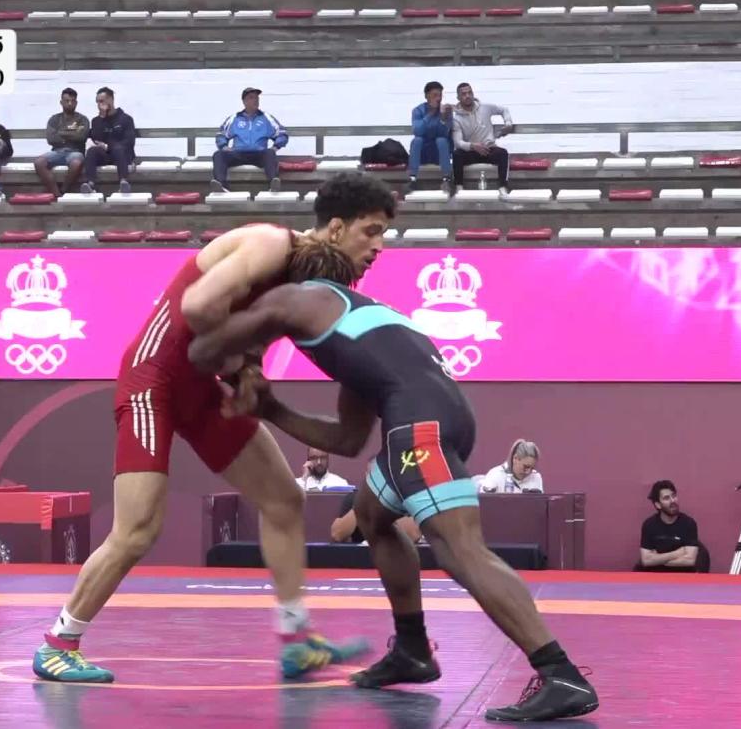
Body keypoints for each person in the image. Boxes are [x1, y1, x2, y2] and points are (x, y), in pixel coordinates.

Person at [185, 246, 599, 722]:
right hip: (433, 422)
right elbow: (346, 440)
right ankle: (412, 649)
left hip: (418, 430)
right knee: (371, 515)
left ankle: (560, 673)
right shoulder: (362, 328)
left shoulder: (302, 296)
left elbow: (202, 348)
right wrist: (271, 409)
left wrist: (243, 365)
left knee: (460, 549)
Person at [32, 172, 396, 684]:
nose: (379, 246)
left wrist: (246, 367)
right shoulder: (270, 244)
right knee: (137, 530)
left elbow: (242, 336)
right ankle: (58, 644)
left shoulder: (305, 283)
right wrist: (242, 366)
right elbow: (199, 307)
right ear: (336, 228)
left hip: (201, 389)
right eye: (371, 231)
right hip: (155, 381)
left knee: (283, 499)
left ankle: (297, 640)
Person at [211, 87, 288, 193]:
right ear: (244, 101)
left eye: (257, 98)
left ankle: (273, 185)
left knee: (270, 153)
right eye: (251, 98)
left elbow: (282, 133)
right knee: (218, 155)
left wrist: (276, 146)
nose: (255, 100)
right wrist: (224, 146)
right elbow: (221, 134)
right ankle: (222, 186)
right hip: (238, 154)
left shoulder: (266, 118)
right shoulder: (235, 118)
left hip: (259, 154)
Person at [450, 83, 514, 194]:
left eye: (470, 92)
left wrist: (508, 123)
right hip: (471, 152)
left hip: (488, 149)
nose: (467, 96)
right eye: (464, 94)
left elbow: (504, 110)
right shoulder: (457, 119)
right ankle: (459, 187)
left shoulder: (485, 107)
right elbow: (458, 142)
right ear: (458, 97)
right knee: (457, 155)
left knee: (503, 153)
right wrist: (473, 146)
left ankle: (503, 186)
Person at [636, 480, 703, 572]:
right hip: (655, 576)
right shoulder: (649, 525)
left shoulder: (689, 523)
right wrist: (678, 553)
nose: (673, 501)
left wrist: (657, 559)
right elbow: (646, 561)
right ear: (658, 505)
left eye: (674, 496)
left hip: (682, 576)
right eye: (666, 498)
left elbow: (690, 561)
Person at [79, 87, 135, 195]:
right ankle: (90, 184)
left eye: (102, 101)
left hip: (122, 155)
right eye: (97, 102)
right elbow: (96, 138)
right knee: (92, 151)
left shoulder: (126, 119)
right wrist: (102, 118)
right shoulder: (96, 121)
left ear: (111, 100)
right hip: (105, 155)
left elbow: (129, 141)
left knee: (118, 148)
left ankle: (123, 182)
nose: (99, 104)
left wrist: (109, 146)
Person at [34, 88, 89, 196]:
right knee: (39, 162)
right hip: (57, 152)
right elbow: (51, 139)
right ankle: (56, 193)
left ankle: (64, 190)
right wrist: (72, 133)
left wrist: (61, 133)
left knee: (77, 163)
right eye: (67, 101)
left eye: (72, 101)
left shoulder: (82, 119)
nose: (70, 103)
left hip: (75, 151)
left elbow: (82, 137)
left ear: (76, 102)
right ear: (61, 102)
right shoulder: (54, 119)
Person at [408, 81, 454, 194]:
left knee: (441, 140)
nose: (438, 99)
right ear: (426, 96)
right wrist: (430, 114)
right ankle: (412, 178)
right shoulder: (418, 111)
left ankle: (447, 179)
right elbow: (417, 131)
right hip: (423, 152)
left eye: (440, 95)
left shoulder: (445, 111)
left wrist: (443, 118)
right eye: (435, 95)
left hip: (438, 152)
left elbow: (444, 133)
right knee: (417, 140)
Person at [479, 439, 544, 493]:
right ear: (515, 458)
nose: (528, 472)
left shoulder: (536, 477)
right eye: (526, 467)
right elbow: (484, 502)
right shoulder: (495, 474)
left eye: (532, 468)